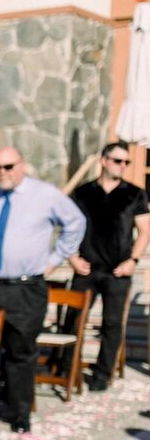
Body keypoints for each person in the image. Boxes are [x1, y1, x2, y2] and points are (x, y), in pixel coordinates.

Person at [0, 146, 85, 433]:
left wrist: (53, 261)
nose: (2, 173)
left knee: (21, 351)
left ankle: (19, 413)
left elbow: (76, 223)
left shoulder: (45, 194)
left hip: (26, 288)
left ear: (22, 165)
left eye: (8, 167)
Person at [65, 141, 149, 391]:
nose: (123, 166)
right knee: (73, 320)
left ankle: (102, 376)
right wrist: (71, 257)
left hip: (117, 270)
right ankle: (69, 370)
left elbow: (144, 232)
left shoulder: (135, 194)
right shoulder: (83, 193)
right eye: (117, 161)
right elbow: (67, 227)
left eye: (126, 162)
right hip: (86, 268)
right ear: (103, 161)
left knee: (112, 324)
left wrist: (132, 261)